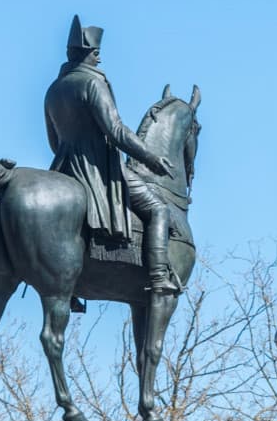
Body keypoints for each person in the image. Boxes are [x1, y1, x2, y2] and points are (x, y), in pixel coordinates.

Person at [45, 16, 181, 296]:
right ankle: (158, 276)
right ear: (87, 53)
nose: (99, 58)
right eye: (96, 53)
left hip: (62, 167)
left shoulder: (54, 89)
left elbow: (53, 141)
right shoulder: (93, 83)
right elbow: (116, 130)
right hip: (98, 167)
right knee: (159, 209)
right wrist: (151, 158)